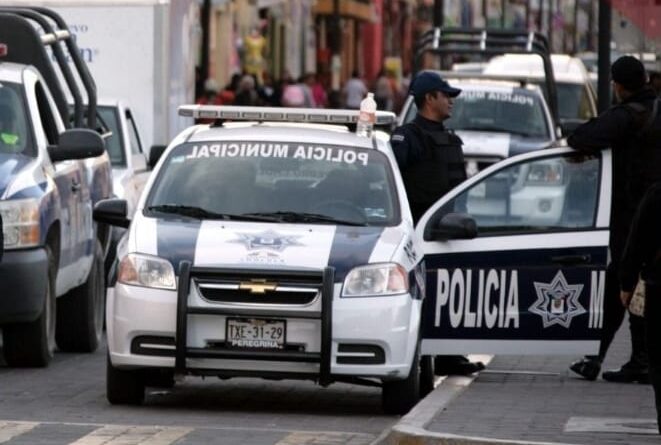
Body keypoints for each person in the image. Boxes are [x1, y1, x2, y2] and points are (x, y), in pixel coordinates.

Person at [567, 55, 661, 383]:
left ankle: (638, 359)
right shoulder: (654, 111)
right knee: (625, 284)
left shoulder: (626, 117)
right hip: (654, 213)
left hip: (632, 216)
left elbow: (580, 138)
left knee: (629, 283)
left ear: (618, 85)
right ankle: (603, 357)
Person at [390, 71, 484, 376]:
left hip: (448, 231)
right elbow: (393, 184)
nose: (451, 101)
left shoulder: (450, 138)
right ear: (429, 98)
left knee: (448, 294)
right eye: (446, 96)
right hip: (418, 231)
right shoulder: (408, 137)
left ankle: (449, 354)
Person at [619, 182, 661, 434]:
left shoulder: (657, 194)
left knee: (659, 362)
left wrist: (627, 282)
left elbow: (636, 241)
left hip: (659, 288)